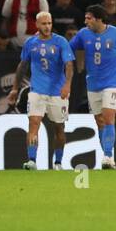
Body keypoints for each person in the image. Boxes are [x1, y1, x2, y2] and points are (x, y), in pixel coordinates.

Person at [71, 5, 116, 168]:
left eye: (88, 18)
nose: (85, 21)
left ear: (98, 19)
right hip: (92, 84)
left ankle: (108, 156)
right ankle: (108, 158)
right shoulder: (83, 34)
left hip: (112, 83)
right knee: (99, 121)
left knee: (109, 117)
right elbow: (68, 48)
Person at [10, 11, 75, 170]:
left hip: (57, 92)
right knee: (34, 123)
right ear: (37, 25)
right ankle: (32, 160)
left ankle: (58, 162)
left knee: (59, 127)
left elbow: (69, 65)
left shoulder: (61, 42)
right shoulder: (30, 43)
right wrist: (15, 88)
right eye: (44, 24)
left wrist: (67, 85)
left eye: (49, 23)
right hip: (37, 90)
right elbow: (22, 66)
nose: (47, 26)